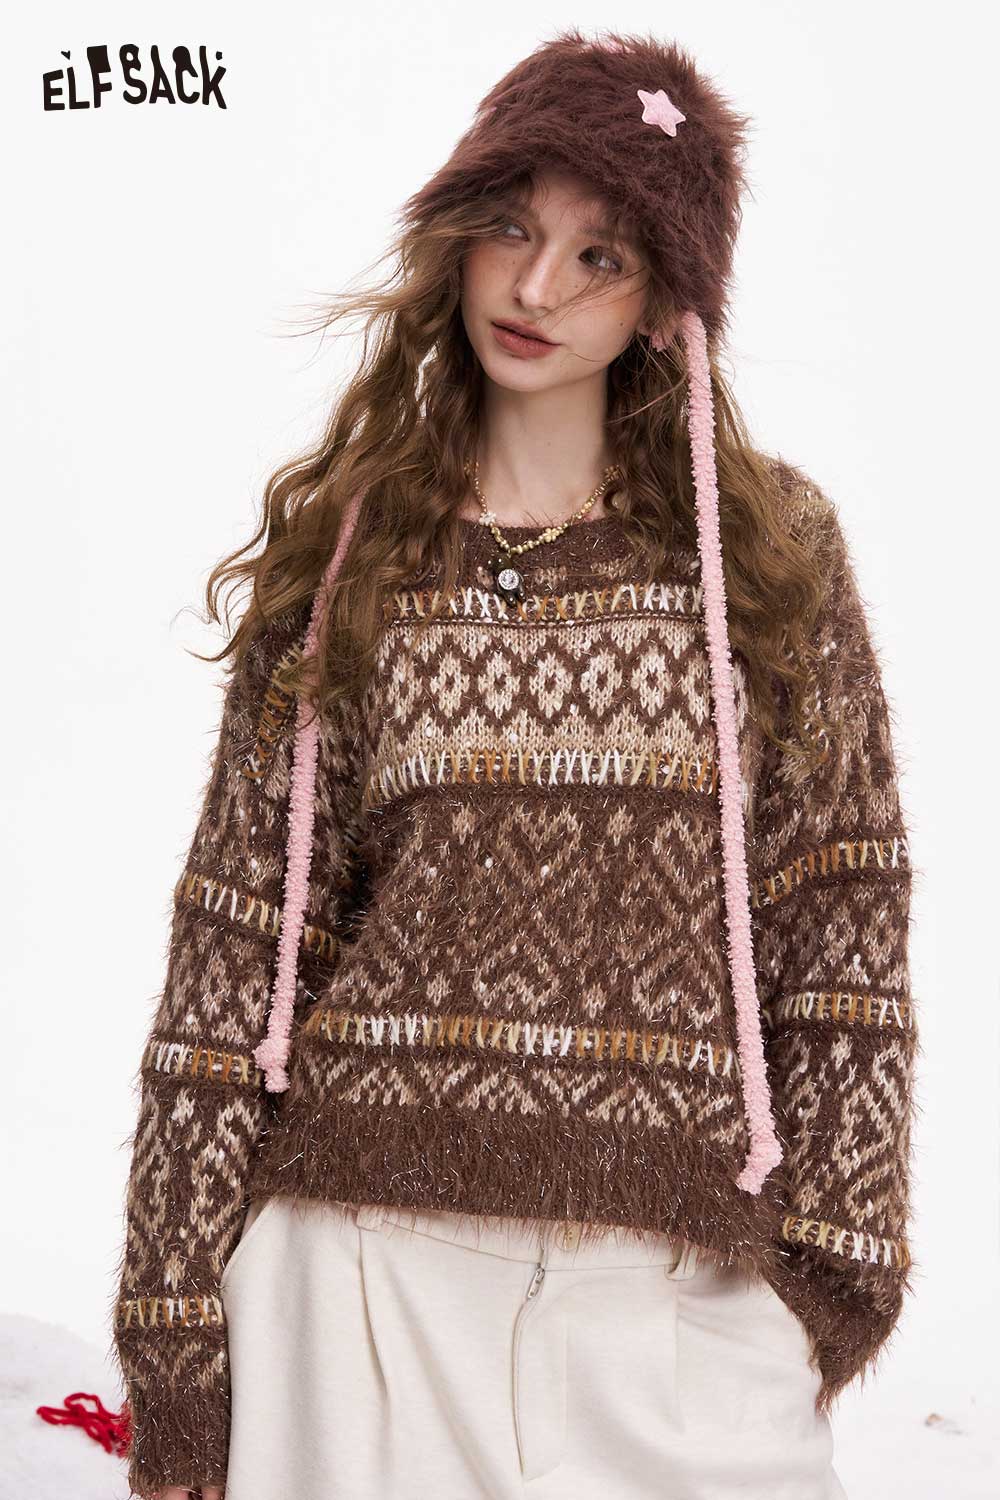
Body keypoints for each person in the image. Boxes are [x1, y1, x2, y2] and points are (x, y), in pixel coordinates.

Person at [110, 28, 918, 1500]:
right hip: (356, 1293)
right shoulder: (351, 557)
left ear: (667, 298)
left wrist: (830, 1284)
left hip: (666, 1309)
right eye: (509, 228)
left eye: (601, 257)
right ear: (455, 233)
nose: (537, 289)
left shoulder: (770, 557)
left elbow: (840, 917)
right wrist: (175, 1338)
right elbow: (237, 940)